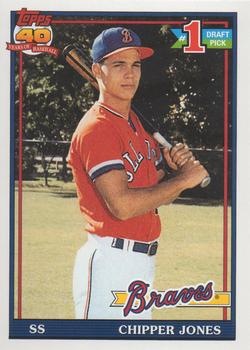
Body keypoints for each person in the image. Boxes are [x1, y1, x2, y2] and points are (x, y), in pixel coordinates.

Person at [67, 27, 208, 320]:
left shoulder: (137, 126)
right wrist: (184, 179)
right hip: (110, 261)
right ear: (97, 70)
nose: (130, 74)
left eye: (135, 65)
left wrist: (170, 172)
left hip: (141, 264)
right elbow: (122, 206)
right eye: (118, 64)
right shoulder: (98, 128)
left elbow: (151, 196)